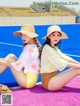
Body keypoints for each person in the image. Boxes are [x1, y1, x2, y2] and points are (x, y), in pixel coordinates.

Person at [40, 25, 80, 91]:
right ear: (49, 36)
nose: (56, 37)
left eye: (58, 35)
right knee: (77, 70)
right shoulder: (47, 48)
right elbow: (60, 63)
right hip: (48, 81)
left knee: (76, 68)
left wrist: (78, 63)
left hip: (54, 77)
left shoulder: (54, 48)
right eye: (53, 35)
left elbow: (65, 58)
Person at [0, 24, 40, 89]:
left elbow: (17, 65)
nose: (23, 37)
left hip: (27, 81)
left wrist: (2, 62)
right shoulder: (33, 46)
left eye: (26, 35)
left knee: (8, 62)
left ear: (31, 36)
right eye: (22, 35)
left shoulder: (28, 48)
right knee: (11, 56)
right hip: (30, 78)